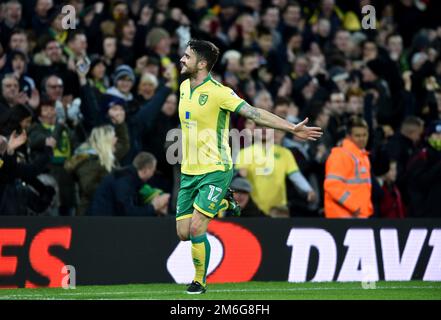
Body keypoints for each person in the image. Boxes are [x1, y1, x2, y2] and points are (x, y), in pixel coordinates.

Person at [175, 39, 322, 294]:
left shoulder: (221, 92)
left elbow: (254, 114)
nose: (182, 59)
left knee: (198, 226)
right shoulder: (184, 87)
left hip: (216, 169)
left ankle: (199, 282)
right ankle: (225, 202)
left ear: (201, 64)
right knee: (183, 233)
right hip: (189, 171)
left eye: (187, 56)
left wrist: (290, 128)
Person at [88, 152, 170, 216]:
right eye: (153, 171)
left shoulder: (130, 178)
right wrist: (153, 207)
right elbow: (128, 213)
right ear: (146, 170)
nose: (153, 175)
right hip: (102, 223)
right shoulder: (124, 181)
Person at [324, 116, 373, 218]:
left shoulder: (363, 157)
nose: (362, 139)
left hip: (357, 216)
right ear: (348, 137)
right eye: (358, 136)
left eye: (365, 135)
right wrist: (355, 206)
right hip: (342, 216)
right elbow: (332, 186)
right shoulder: (341, 156)